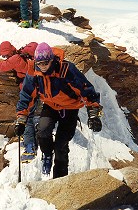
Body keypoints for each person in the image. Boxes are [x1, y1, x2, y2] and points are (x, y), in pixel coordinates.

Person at [14, 42, 103, 179]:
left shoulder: (66, 69)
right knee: (42, 132)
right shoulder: (34, 72)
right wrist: (21, 119)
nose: (42, 67)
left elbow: (86, 89)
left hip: (70, 108)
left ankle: (60, 179)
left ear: (52, 60)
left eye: (45, 63)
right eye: (39, 63)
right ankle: (47, 154)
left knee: (61, 144)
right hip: (50, 105)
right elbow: (26, 95)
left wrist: (94, 114)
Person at [0, 41, 39, 162]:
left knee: (26, 118)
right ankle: (30, 139)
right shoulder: (23, 54)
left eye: (5, 55)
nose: (5, 57)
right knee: (29, 116)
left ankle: (30, 146)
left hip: (29, 90)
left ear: (9, 51)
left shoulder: (15, 59)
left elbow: (1, 66)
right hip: (37, 87)